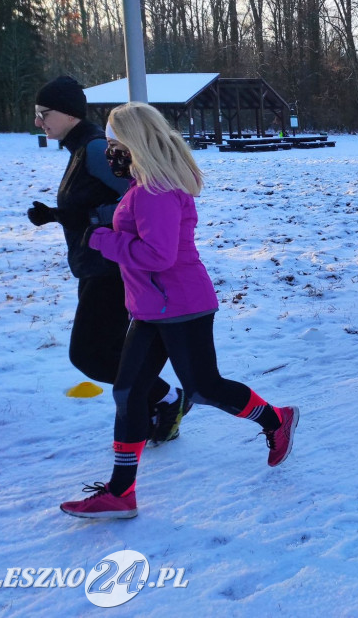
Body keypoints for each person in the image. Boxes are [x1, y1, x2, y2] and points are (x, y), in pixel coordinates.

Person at [60, 103, 299, 519]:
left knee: (205, 388)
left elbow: (158, 255)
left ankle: (276, 419)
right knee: (129, 392)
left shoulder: (156, 193)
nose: (110, 152)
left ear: (135, 143)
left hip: (182, 307)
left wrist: (103, 240)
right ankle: (120, 492)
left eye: (116, 143)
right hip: (152, 308)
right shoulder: (144, 188)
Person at [27, 76, 186, 445]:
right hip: (96, 264)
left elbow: (146, 195)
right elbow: (101, 203)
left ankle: (165, 398)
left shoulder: (97, 149)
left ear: (67, 113)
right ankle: (156, 403)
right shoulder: (82, 148)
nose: (38, 121)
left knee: (89, 354)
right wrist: (58, 214)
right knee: (108, 350)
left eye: (43, 113)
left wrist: (91, 219)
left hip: (111, 267)